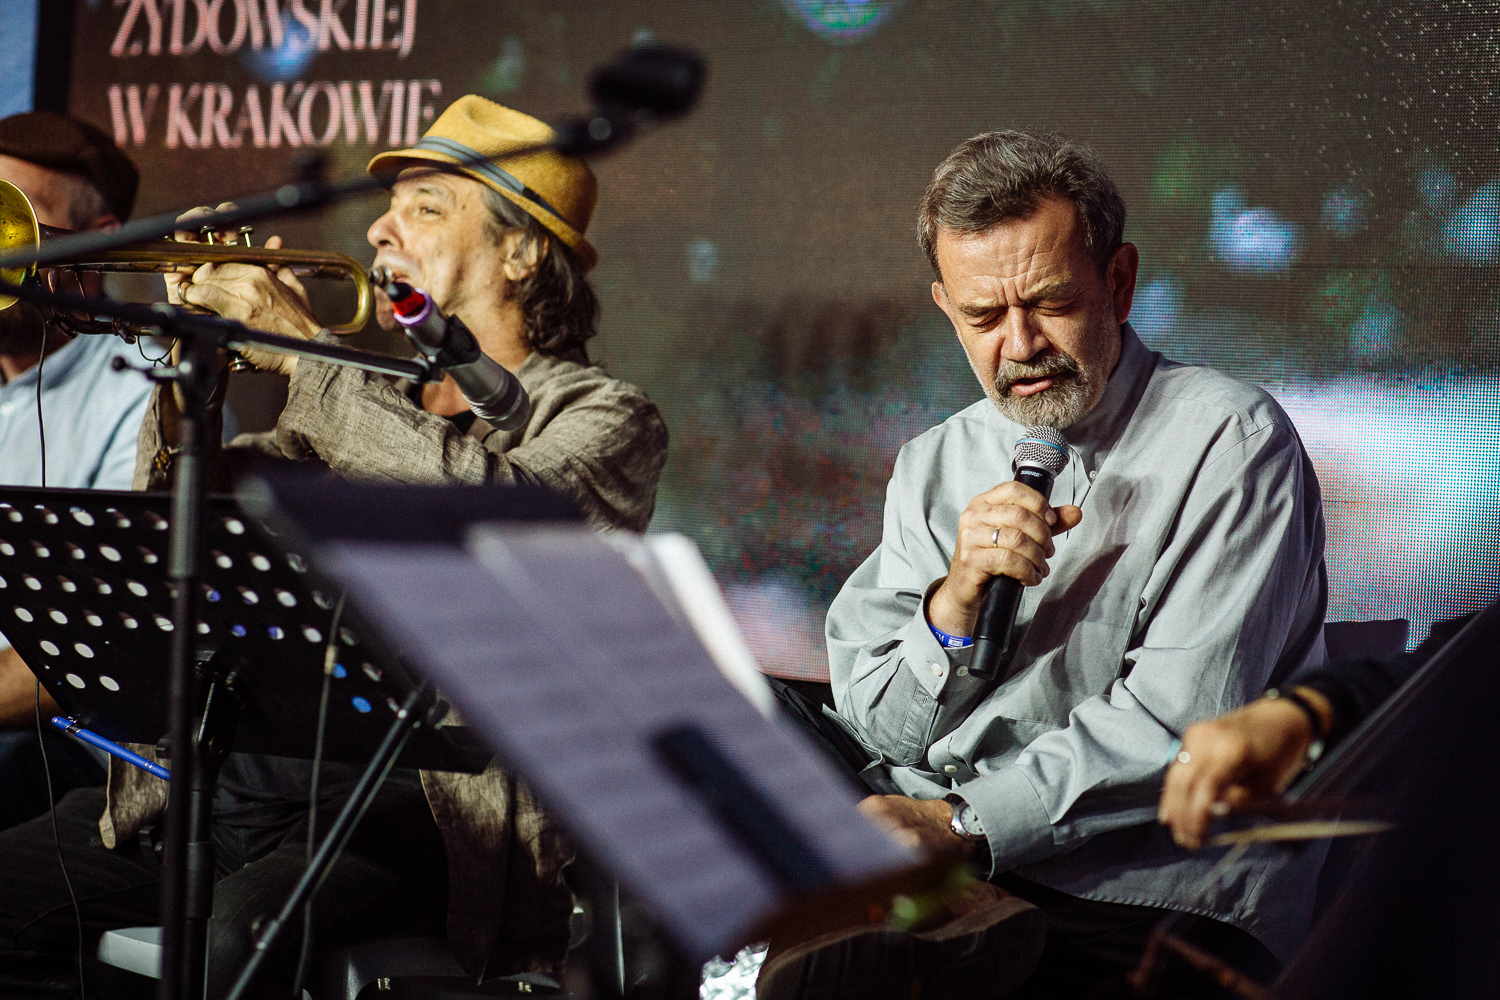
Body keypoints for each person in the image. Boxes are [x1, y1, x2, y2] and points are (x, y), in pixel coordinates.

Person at [0, 96, 668, 998]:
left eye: (427, 207)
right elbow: (189, 530)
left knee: (239, 937)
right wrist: (188, 364)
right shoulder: (363, 393)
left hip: (418, 809)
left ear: (523, 250)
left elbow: (500, 520)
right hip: (233, 784)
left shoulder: (604, 415)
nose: (383, 226)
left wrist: (308, 350)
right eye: (390, 205)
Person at [762, 131, 1329, 1000]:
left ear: (1119, 281)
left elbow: (1182, 727)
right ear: (948, 311)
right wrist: (951, 605)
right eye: (983, 318)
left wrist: (957, 825)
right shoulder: (937, 458)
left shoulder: (1233, 440)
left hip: (1136, 884)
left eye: (1050, 303)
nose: (1019, 345)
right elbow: (880, 728)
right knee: (739, 704)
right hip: (945, 840)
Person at [0, 111, 151, 830]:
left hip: (81, 753)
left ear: (101, 241)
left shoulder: (149, 390)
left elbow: (90, 650)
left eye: (12, 225)